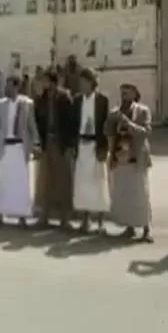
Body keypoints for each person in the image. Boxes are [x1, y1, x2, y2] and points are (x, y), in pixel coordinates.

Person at [105, 83, 153, 242]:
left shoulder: (143, 110)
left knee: (141, 195)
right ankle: (130, 228)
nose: (123, 95)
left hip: (136, 158)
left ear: (134, 93)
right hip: (121, 158)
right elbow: (108, 132)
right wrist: (110, 122)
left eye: (127, 92)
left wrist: (128, 123)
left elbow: (146, 132)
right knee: (125, 194)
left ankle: (146, 229)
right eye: (122, 92)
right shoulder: (116, 112)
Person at [0, 76, 39, 227]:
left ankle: (22, 216)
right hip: (5, 147)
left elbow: (31, 125)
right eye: (7, 86)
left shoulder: (27, 103)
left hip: (20, 148)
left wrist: (36, 144)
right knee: (4, 182)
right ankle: (1, 214)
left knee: (21, 183)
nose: (7, 89)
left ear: (17, 87)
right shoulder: (1, 104)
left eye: (10, 86)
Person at [34, 69, 75, 229]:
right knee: (45, 182)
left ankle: (65, 218)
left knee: (63, 181)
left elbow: (70, 122)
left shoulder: (64, 97)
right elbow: (38, 121)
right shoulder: (41, 99)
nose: (43, 83)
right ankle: (44, 216)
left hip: (60, 144)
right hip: (47, 143)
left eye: (45, 80)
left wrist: (69, 145)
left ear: (52, 81)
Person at [71, 68, 110, 233]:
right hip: (82, 145)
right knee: (83, 183)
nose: (81, 85)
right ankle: (85, 220)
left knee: (99, 183)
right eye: (80, 82)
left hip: (96, 145)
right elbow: (73, 124)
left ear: (91, 82)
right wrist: (73, 146)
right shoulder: (77, 100)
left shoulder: (102, 100)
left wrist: (105, 148)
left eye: (84, 82)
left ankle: (100, 222)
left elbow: (106, 125)